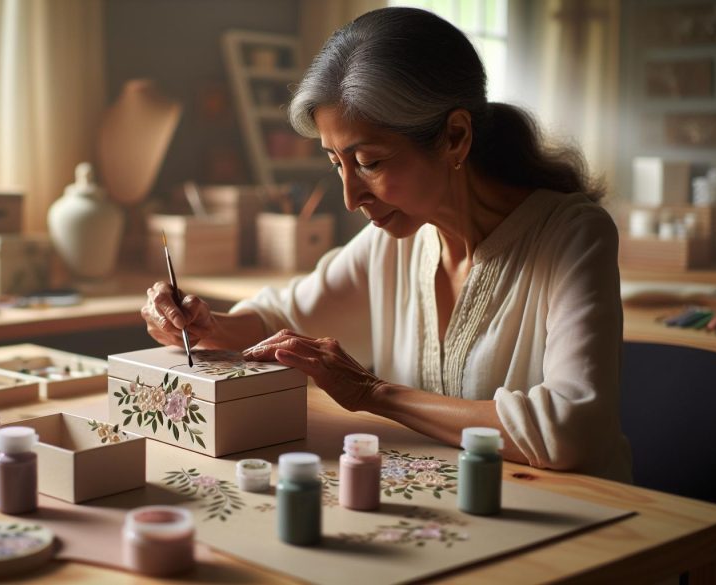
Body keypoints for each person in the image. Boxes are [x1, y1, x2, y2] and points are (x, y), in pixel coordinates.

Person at [141, 7, 631, 482]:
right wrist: (205, 324)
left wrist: (373, 393)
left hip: (582, 527)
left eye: (369, 162)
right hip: (451, 520)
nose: (350, 198)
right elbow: (280, 322)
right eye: (337, 162)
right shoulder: (394, 243)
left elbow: (571, 429)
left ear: (455, 137)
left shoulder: (572, 235)